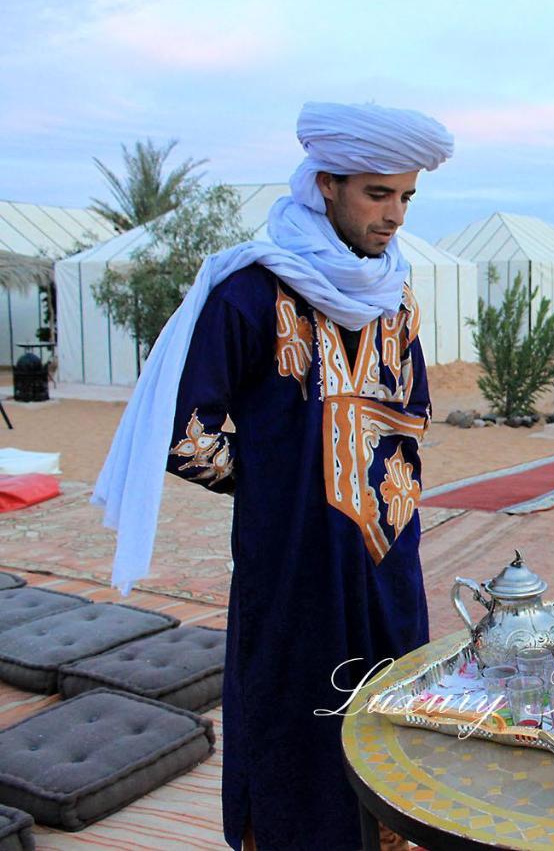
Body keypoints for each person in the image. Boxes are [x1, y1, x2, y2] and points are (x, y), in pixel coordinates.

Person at [93, 102, 454, 850]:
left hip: (388, 560)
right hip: (293, 572)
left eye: (406, 197)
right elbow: (185, 429)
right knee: (296, 732)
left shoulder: (395, 296)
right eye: (376, 194)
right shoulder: (252, 292)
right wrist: (279, 489)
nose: (394, 215)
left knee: (391, 724)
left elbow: (410, 412)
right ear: (325, 183)